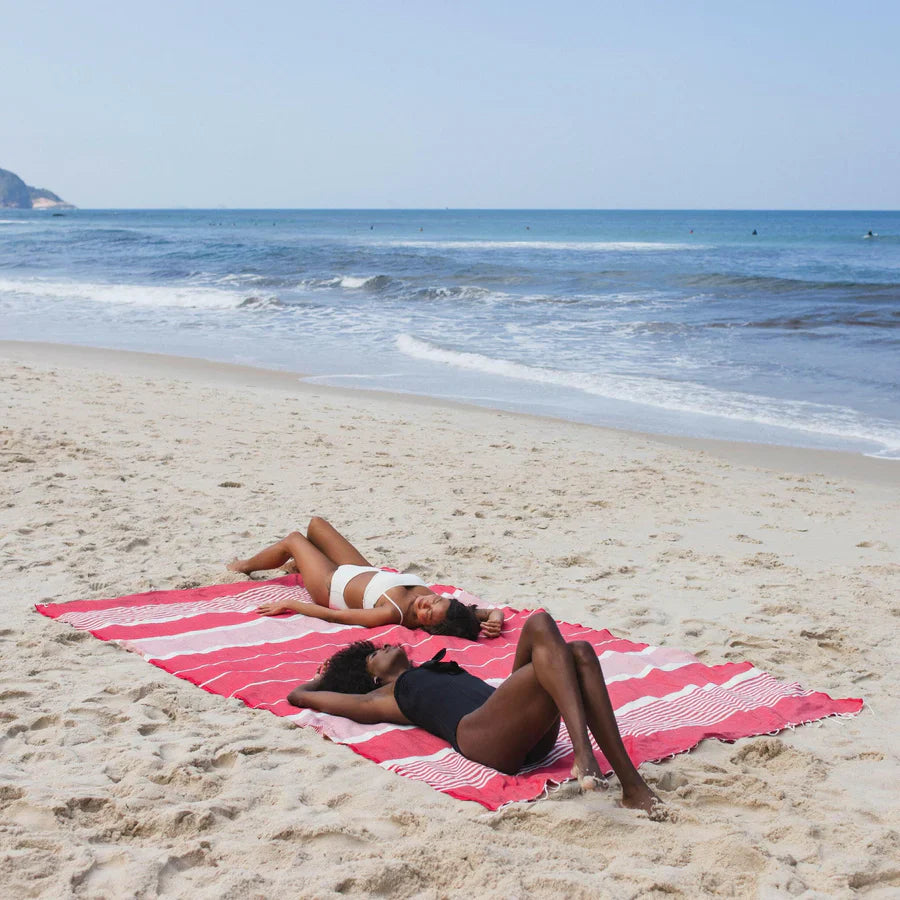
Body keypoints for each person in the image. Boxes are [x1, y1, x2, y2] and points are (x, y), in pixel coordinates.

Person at [287, 611, 661, 813]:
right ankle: (617, 775)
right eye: (374, 655)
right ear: (371, 680)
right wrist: (321, 680)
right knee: (564, 642)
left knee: (557, 635)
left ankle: (613, 773)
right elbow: (300, 697)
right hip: (482, 738)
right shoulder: (386, 697)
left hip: (517, 727)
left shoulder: (428, 668)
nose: (384, 647)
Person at [228, 517, 503, 640]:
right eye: (433, 601)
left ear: (425, 627)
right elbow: (487, 613)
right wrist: (494, 621)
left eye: (427, 614)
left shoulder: (390, 613)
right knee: (316, 525)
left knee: (294, 539)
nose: (424, 604)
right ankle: (296, 566)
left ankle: (247, 566)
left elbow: (333, 617)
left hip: (331, 583)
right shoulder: (449, 609)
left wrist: (291, 604)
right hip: (361, 570)